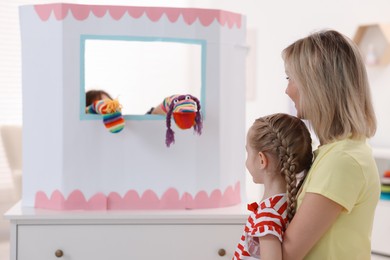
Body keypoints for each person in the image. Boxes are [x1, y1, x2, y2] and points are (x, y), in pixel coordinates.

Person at [282, 29, 380, 259]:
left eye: (290, 78)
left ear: (317, 84)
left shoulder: (341, 160)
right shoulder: (332, 152)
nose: (287, 90)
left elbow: (286, 254)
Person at [233, 113, 313, 260]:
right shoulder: (289, 204)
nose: (246, 161)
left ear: (261, 160)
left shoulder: (267, 215)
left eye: (248, 153)